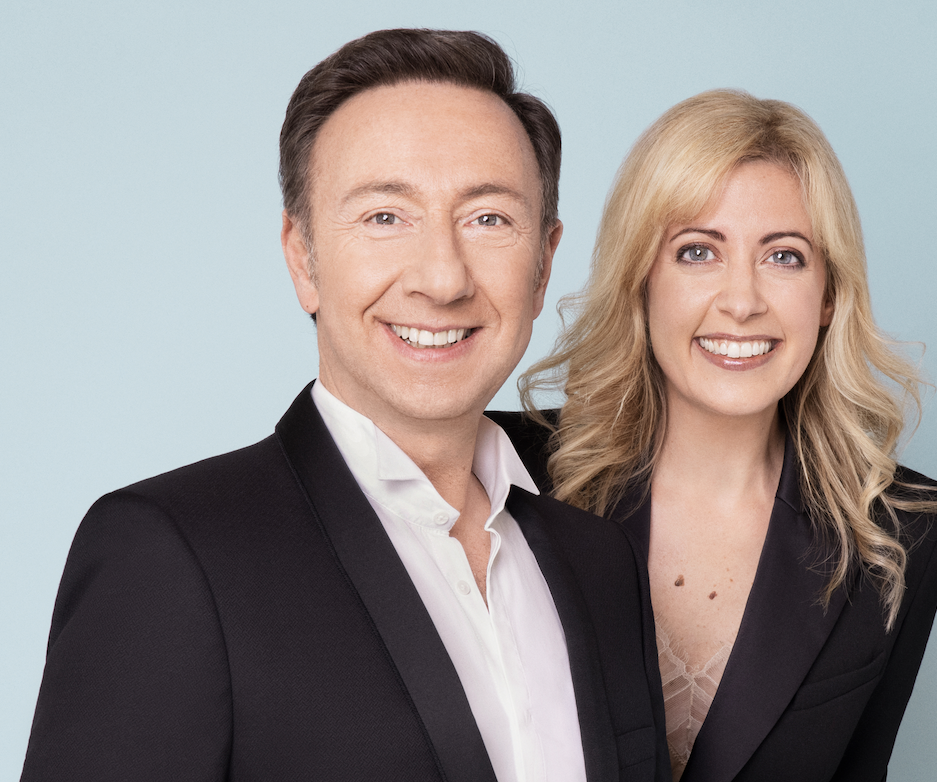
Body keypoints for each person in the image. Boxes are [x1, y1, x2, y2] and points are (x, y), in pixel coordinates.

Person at [20, 29, 669, 782]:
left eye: (488, 219)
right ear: (303, 257)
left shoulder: (600, 559)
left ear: (544, 263)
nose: (442, 278)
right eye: (385, 217)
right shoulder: (169, 556)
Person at [497, 89, 937, 781]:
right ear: (641, 279)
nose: (742, 302)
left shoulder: (903, 531)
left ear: (829, 294)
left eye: (785, 257)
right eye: (697, 252)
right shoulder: (506, 473)